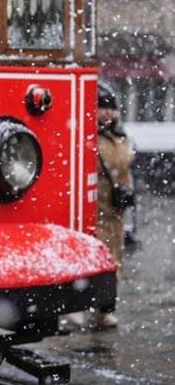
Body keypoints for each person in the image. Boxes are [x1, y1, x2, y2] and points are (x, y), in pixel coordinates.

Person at [92, 81, 135, 329]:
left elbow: (126, 170)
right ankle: (98, 308)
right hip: (97, 211)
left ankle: (104, 309)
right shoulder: (90, 137)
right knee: (102, 261)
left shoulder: (119, 136)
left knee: (115, 259)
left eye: (111, 107)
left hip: (116, 211)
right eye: (102, 107)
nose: (108, 112)